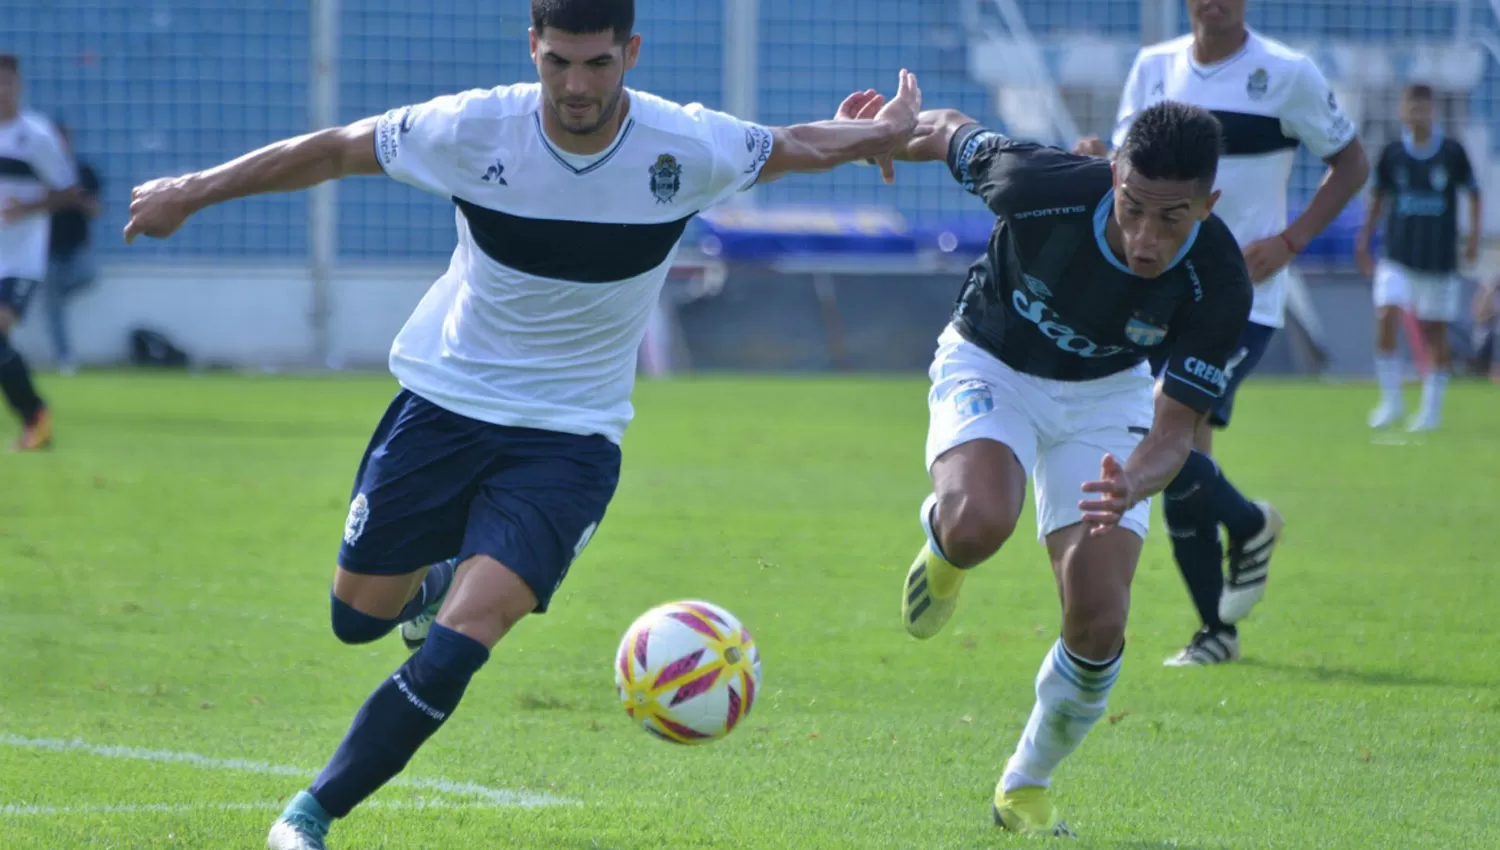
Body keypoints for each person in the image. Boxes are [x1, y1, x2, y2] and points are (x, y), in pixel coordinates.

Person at [122, 2, 919, 848]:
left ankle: (309, 816)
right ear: (533, 50)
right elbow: (333, 150)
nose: (576, 86)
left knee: (468, 638)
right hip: (444, 406)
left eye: (598, 65)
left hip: (570, 441)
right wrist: (189, 190)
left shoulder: (685, 146)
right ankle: (431, 580)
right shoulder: (473, 128)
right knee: (357, 618)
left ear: (631, 54)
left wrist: (873, 136)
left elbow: (793, 145)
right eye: (559, 64)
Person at [850, 92, 1251, 836]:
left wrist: (1133, 478)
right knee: (979, 523)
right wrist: (873, 137)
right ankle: (945, 550)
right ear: (1112, 174)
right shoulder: (1039, 184)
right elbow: (942, 131)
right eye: (1133, 206)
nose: (1145, 237)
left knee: (1100, 620)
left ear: (1208, 204)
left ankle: (1024, 787)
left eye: (1173, 218)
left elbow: (1172, 433)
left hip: (1108, 399)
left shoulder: (1220, 284)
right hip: (990, 359)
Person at [1075, 0, 1370, 665]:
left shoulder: (1286, 74)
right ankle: (1225, 603)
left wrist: (1289, 241)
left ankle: (1232, 574)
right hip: (1161, 295)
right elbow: (1129, 164)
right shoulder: (1154, 67)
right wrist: (1098, 156)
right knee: (1179, 458)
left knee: (1165, 434)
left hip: (1243, 300)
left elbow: (1352, 162)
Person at [1358, 83, 1481, 432]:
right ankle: (1391, 400)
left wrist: (1472, 239)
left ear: (1433, 112)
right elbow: (1378, 199)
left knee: (1434, 331)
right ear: (1402, 111)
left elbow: (1474, 193)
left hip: (1439, 259)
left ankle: (1431, 409)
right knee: (1385, 314)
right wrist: (1363, 239)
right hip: (1397, 255)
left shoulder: (1452, 153)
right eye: (1412, 108)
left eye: (1423, 108)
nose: (1417, 115)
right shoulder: (1393, 153)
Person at [0, 54, 79, 451]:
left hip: (21, 260)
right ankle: (36, 419)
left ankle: (36, 417)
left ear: (20, 86)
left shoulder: (38, 136)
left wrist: (27, 208)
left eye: (8, 83)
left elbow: (70, 191)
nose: (2, 90)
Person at [44, 121, 103, 375]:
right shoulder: (41, 172)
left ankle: (57, 295)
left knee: (88, 276)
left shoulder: (83, 172)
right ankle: (64, 355)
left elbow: (97, 210)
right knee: (53, 308)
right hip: (48, 249)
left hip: (78, 246)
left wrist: (78, 199)